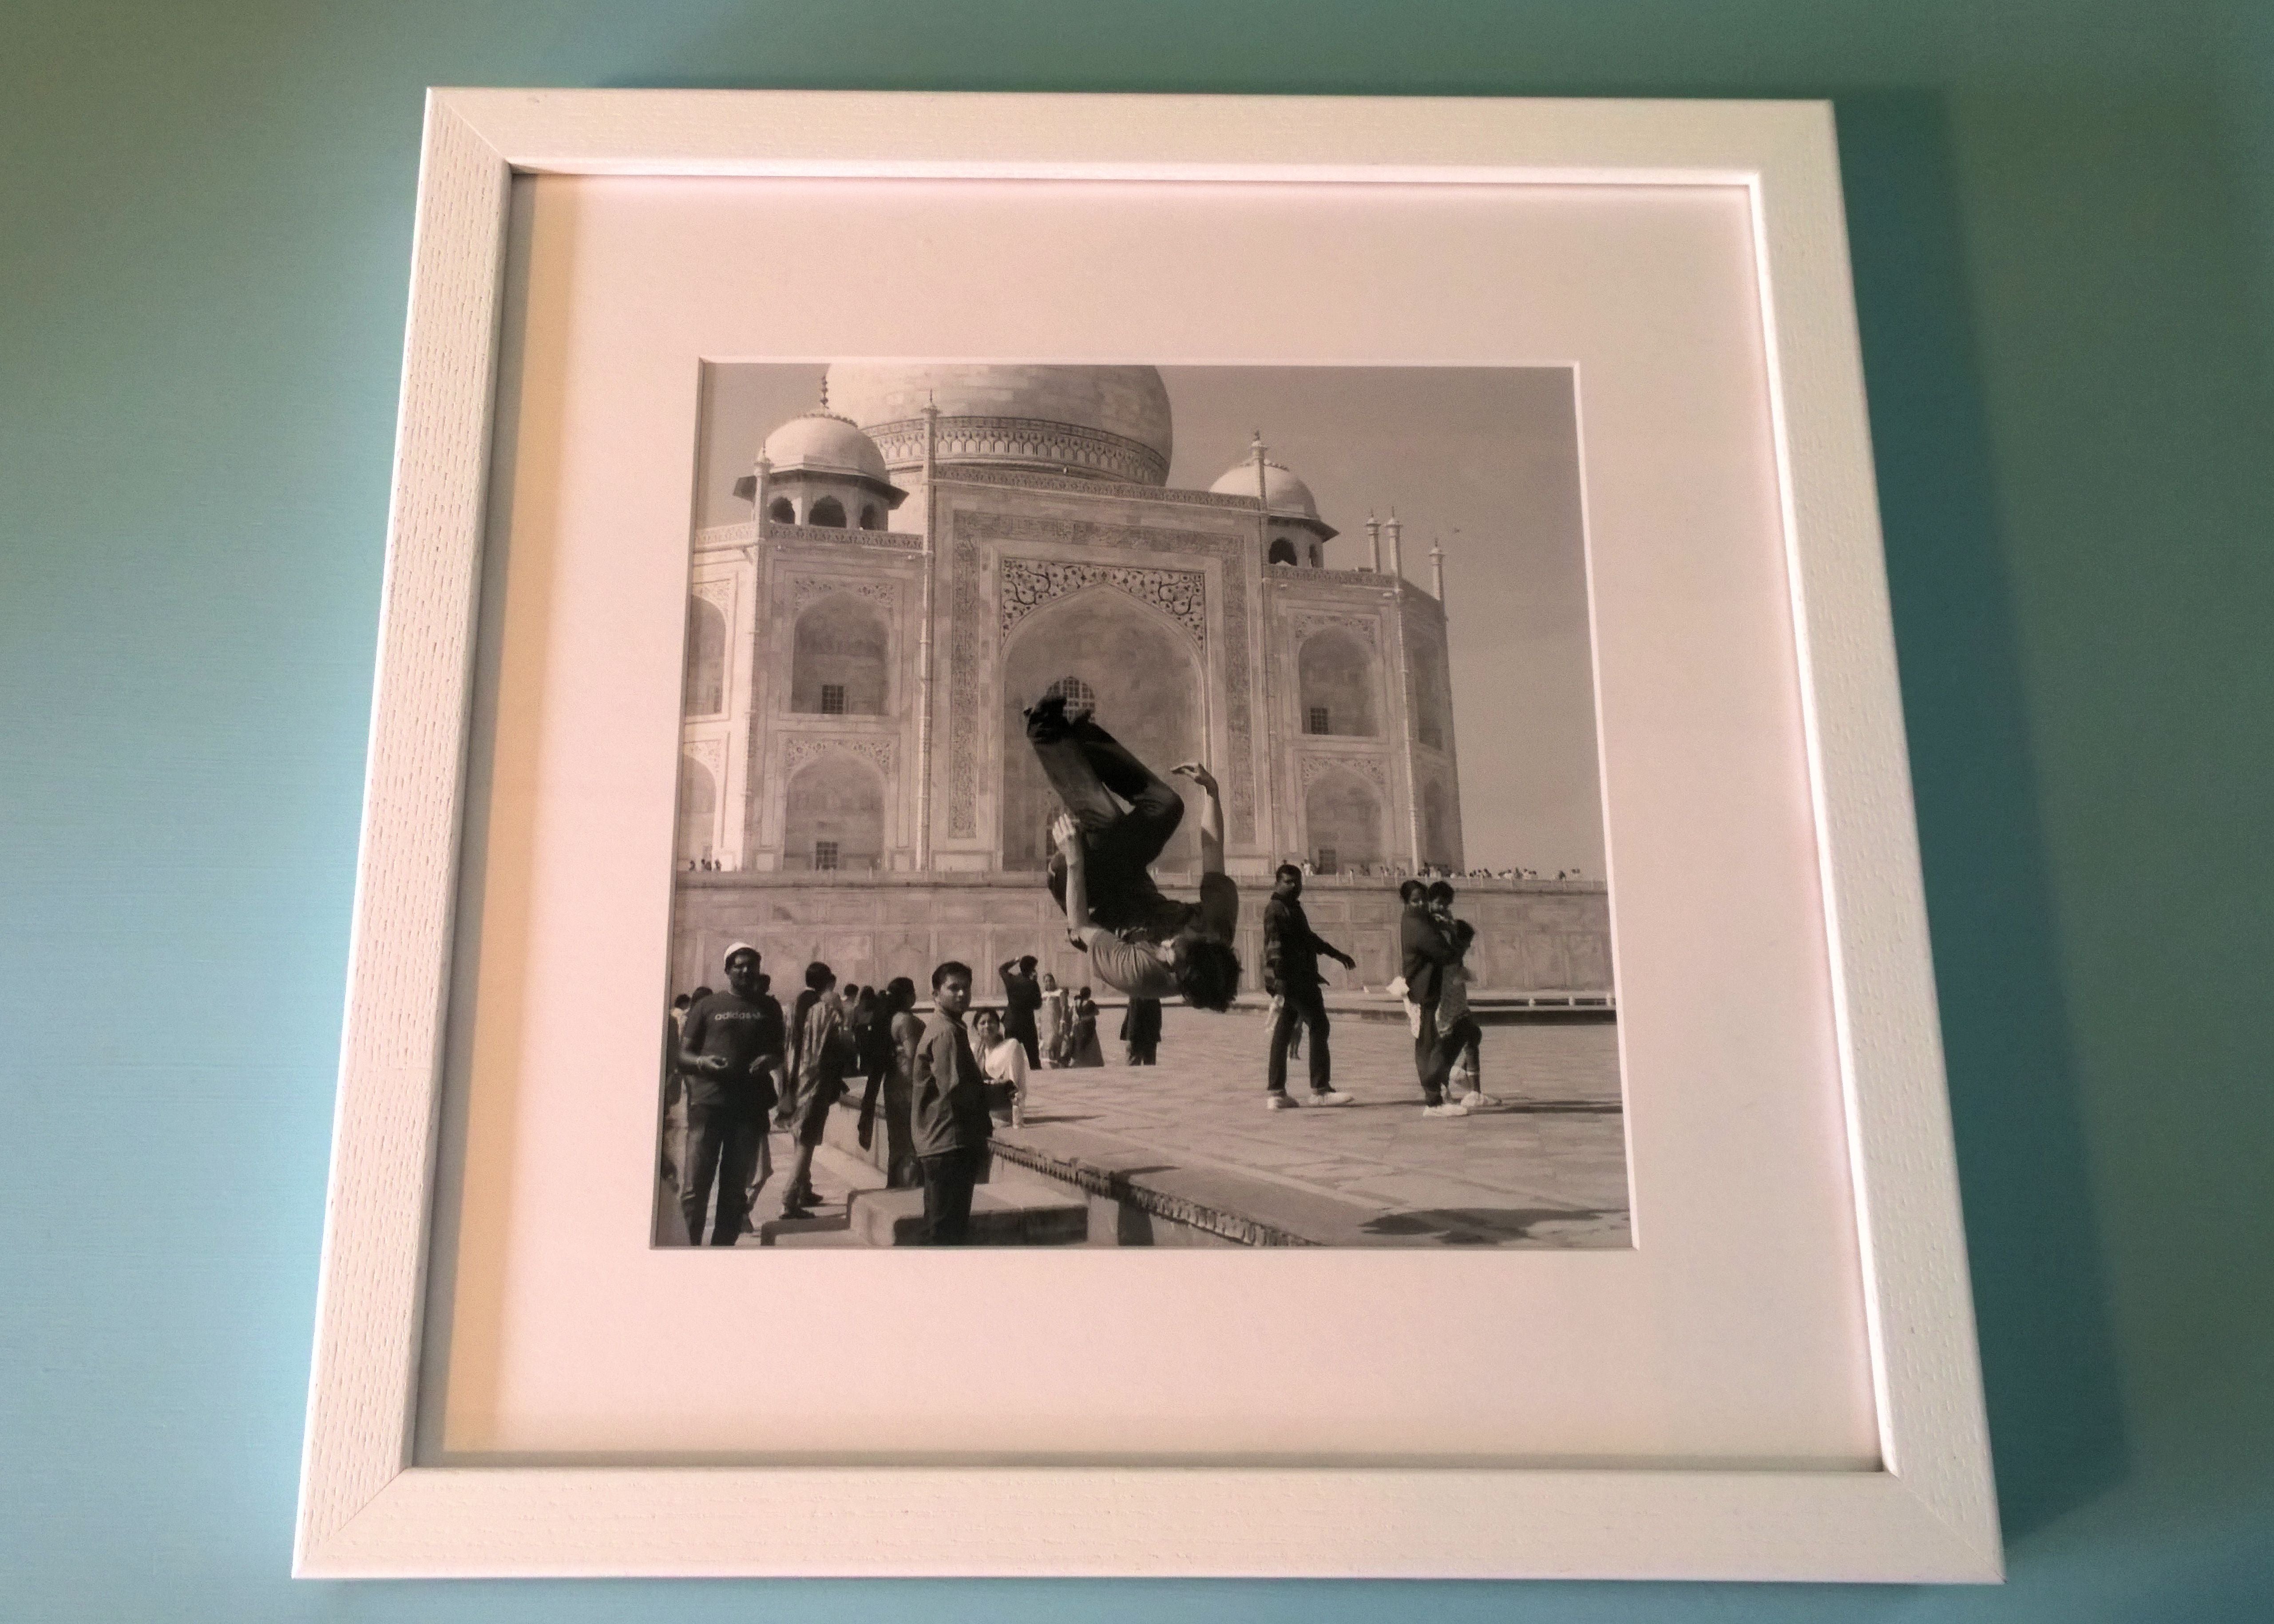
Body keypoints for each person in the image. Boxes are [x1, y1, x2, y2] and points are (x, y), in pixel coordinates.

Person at [1023, 690, 1240, 1010]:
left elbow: (1081, 927)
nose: (1164, 946)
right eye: (1175, 945)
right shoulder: (1217, 927)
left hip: (1087, 894)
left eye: (1168, 957)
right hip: (1127, 873)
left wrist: (1073, 859)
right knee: (1167, 806)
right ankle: (1084, 740)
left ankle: (1045, 730)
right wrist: (1212, 792)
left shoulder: (1140, 975)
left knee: (1108, 822)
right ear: (1207, 940)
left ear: (1177, 980)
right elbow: (1213, 853)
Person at [673, 945, 782, 1244]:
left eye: (752, 967)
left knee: (734, 1192)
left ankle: (722, 1252)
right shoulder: (707, 1006)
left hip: (748, 1110)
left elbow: (779, 1052)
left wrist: (771, 1061)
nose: (746, 971)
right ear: (727, 970)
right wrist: (701, 1063)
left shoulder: (770, 1009)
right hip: (708, 1106)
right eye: (739, 966)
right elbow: (682, 1056)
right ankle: (687, 1251)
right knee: (695, 1189)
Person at [909, 961, 999, 1244]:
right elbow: (956, 1091)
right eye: (953, 988)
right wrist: (997, 1095)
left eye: (966, 987)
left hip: (944, 1141)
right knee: (946, 1234)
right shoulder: (946, 1032)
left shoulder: (949, 1027)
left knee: (943, 1228)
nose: (962, 994)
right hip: (949, 1142)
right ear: (936, 994)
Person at [1261, 862, 1356, 1110]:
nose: (1295, 887)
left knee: (1283, 1032)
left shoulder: (1292, 909)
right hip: (1295, 979)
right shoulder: (1277, 910)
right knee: (1319, 1024)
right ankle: (1320, 1089)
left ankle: (1277, 1093)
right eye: (1288, 882)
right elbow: (1274, 948)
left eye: (1298, 882)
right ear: (1277, 883)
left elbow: (1308, 939)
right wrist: (1280, 984)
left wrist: (1337, 955)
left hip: (1298, 977)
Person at [781, 961, 856, 1217]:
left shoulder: (792, 1007)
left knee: (799, 1135)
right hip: (815, 1082)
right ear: (829, 982)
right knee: (808, 1139)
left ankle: (805, 1189)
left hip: (793, 1080)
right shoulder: (826, 1009)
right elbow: (842, 1045)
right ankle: (790, 1199)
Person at [1398, 879, 1467, 1117]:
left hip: (1423, 989)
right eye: (1416, 900)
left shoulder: (1417, 920)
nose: (1422, 904)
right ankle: (1434, 1101)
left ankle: (1435, 1096)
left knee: (1426, 1043)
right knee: (1432, 1044)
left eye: (1424, 899)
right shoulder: (1417, 923)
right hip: (1424, 989)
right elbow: (1443, 952)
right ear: (1406, 903)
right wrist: (1457, 942)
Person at [856, 978, 923, 1187]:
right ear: (909, 996)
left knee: (898, 1143)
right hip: (909, 1084)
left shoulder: (888, 1018)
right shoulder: (905, 1020)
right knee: (911, 1144)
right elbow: (914, 1055)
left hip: (894, 1084)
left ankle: (895, 1186)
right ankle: (908, 1188)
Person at [1438, 921, 1498, 1108]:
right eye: (1466, 943)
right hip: (1450, 1012)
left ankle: (1468, 1086)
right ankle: (1448, 1090)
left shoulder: (1453, 957)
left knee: (1473, 1035)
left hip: (1456, 1008)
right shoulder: (1447, 957)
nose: (1468, 947)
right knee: (1452, 1048)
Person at [973, 1008, 1029, 1128]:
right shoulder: (975, 1050)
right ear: (976, 1029)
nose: (987, 1026)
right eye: (983, 1023)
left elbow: (1016, 1084)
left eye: (991, 1022)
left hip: (1004, 1111)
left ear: (999, 1026)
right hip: (982, 1111)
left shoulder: (1010, 1046)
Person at [997, 955, 1044, 1069]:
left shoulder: (1011, 980)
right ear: (1032, 969)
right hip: (1027, 1024)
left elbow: (1002, 969)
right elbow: (1038, 1005)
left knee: (1009, 1057)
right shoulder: (1032, 984)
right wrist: (1035, 983)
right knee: (1034, 1060)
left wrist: (1015, 960)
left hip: (1012, 1023)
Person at [1066, 987, 1106, 1068]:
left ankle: (1077, 1061)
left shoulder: (1077, 1002)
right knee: (1091, 1045)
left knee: (1078, 1043)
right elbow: (1097, 1013)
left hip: (1078, 1027)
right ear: (1089, 994)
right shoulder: (1090, 1003)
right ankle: (1091, 1062)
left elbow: (1071, 1013)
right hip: (1089, 1027)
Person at [1036, 971, 1069, 1067]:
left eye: (1050, 981)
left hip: (1056, 1023)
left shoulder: (1060, 993)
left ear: (1054, 981)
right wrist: (1039, 1025)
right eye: (1046, 981)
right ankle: (1050, 1066)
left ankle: (1057, 1064)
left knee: (1053, 1043)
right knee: (1045, 1045)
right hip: (1045, 1025)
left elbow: (1064, 1008)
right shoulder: (1043, 995)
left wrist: (1062, 1022)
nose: (1048, 983)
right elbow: (1040, 1011)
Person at [1120, 995, 1162, 1065]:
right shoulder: (1153, 996)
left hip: (1136, 1034)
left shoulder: (1136, 993)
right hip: (1148, 1035)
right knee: (1149, 1064)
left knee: (1134, 1064)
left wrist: (1126, 1032)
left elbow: (1131, 1012)